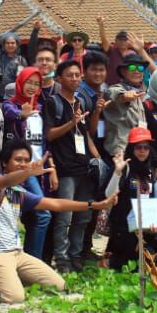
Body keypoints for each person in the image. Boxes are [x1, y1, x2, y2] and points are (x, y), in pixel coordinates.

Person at [0, 140, 115, 303]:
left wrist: (94, 205)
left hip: (17, 254)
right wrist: (28, 172)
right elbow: (5, 182)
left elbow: (56, 204)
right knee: (14, 297)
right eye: (18, 160)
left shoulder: (18, 192)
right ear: (5, 162)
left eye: (27, 160)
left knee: (58, 286)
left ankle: (10, 280)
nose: (23, 164)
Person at [44, 58, 100, 271]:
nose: (75, 78)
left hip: (84, 167)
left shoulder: (81, 102)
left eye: (78, 75)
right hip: (65, 167)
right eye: (70, 75)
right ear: (59, 78)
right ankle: (62, 260)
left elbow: (86, 136)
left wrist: (97, 160)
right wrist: (71, 123)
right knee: (64, 217)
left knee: (83, 216)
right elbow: (50, 134)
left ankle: (75, 256)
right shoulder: (53, 102)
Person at [105, 128, 157, 268]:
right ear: (131, 148)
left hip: (143, 229)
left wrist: (153, 224)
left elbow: (150, 202)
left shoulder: (149, 171)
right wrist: (117, 172)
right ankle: (110, 260)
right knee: (133, 266)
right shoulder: (124, 168)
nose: (142, 151)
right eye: (138, 147)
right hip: (123, 228)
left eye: (146, 147)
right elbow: (109, 194)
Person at [3, 67, 46, 159]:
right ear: (20, 82)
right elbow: (10, 114)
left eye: (36, 84)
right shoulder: (9, 104)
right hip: (18, 164)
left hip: (39, 165)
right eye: (29, 82)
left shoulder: (41, 109)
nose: (32, 87)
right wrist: (21, 115)